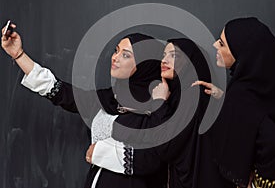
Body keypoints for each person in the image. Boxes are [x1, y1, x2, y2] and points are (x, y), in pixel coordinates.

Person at [1, 23, 168, 188]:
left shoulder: (157, 109)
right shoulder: (109, 98)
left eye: (126, 55)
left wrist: (100, 152)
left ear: (144, 65)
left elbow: (154, 158)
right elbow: (60, 91)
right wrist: (19, 55)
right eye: (116, 51)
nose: (115, 57)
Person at [85, 38, 212, 188]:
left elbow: (166, 147)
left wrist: (159, 102)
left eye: (174, 56)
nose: (164, 60)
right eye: (164, 55)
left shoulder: (192, 96)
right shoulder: (175, 93)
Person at [193, 17, 275, 188]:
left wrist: (261, 184)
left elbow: (274, 140)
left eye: (222, 44)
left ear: (241, 53)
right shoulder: (260, 86)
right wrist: (224, 97)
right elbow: (255, 115)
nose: (215, 45)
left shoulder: (240, 95)